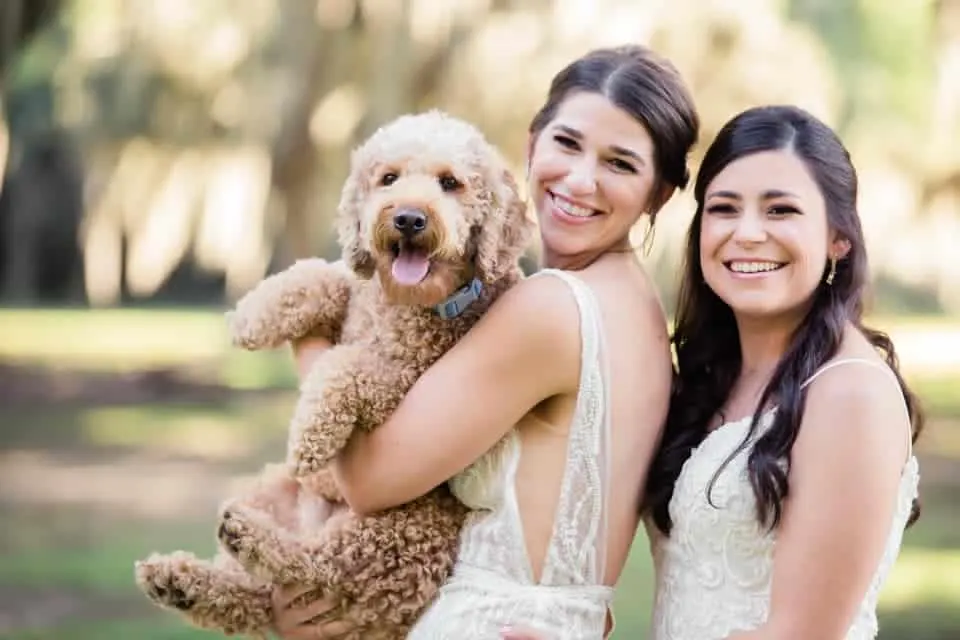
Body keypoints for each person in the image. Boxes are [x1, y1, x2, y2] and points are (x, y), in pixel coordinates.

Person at [271, 44, 700, 639]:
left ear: (659, 194)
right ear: (531, 145)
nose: (580, 179)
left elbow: (367, 481)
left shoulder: (551, 307)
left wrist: (313, 336)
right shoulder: (637, 306)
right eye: (567, 144)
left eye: (620, 164)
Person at [636, 104, 924, 640]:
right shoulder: (709, 378)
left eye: (780, 211)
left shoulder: (849, 392)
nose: (746, 233)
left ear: (839, 237)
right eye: (724, 208)